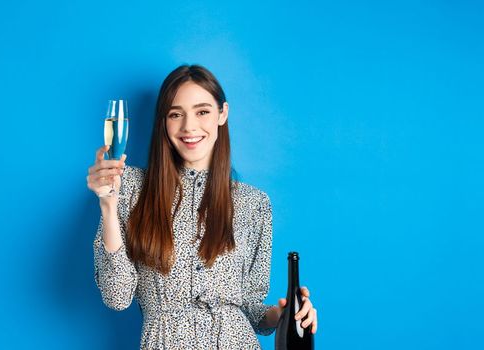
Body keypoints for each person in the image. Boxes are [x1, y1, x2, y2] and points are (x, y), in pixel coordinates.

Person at [85, 64, 318, 349]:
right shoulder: (131, 188)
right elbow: (117, 296)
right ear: (163, 122)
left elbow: (250, 308)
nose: (189, 126)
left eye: (202, 111)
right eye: (175, 114)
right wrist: (108, 205)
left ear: (223, 114)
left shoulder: (254, 204)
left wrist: (280, 315)